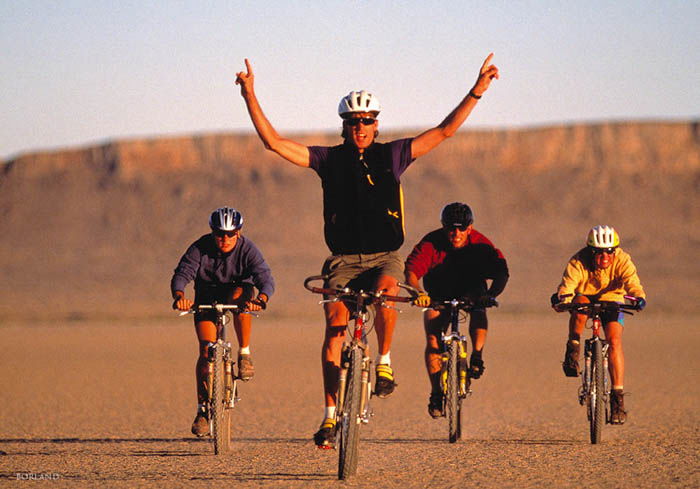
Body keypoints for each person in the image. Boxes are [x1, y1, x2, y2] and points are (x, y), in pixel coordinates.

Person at [235, 54, 499, 447]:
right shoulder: (328, 159)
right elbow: (274, 143)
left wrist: (477, 90)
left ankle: (386, 361)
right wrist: (250, 96)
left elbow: (444, 131)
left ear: (377, 123)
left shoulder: (392, 155)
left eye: (367, 120)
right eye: (353, 122)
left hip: (383, 257)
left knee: (388, 291)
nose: (360, 127)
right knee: (333, 331)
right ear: (344, 126)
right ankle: (328, 417)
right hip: (342, 261)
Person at [171, 206, 274, 437]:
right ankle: (202, 411)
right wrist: (179, 296)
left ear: (238, 232)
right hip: (207, 295)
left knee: (242, 301)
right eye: (219, 234)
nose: (224, 239)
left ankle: (244, 353)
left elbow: (264, 276)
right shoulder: (200, 247)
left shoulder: (247, 249)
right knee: (206, 351)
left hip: (237, 293)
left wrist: (262, 298)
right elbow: (182, 272)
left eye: (230, 234)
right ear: (212, 232)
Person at [405, 203, 509, 417]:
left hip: (472, 291)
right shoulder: (431, 243)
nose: (456, 233)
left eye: (462, 228)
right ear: (444, 227)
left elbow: (501, 272)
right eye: (451, 228)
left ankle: (477, 356)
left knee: (479, 311)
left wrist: (491, 295)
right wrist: (418, 293)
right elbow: (411, 272)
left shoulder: (481, 244)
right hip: (438, 293)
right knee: (433, 338)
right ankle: (436, 393)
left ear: (470, 228)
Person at [550, 225, 646, 424]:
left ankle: (617, 398)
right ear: (590, 251)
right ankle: (573, 348)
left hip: (613, 298)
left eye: (609, 251)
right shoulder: (578, 260)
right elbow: (569, 284)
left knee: (614, 341)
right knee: (579, 305)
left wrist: (638, 297)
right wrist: (563, 298)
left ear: (615, 250)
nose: (605, 257)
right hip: (585, 295)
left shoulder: (623, 259)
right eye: (599, 252)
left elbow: (632, 282)